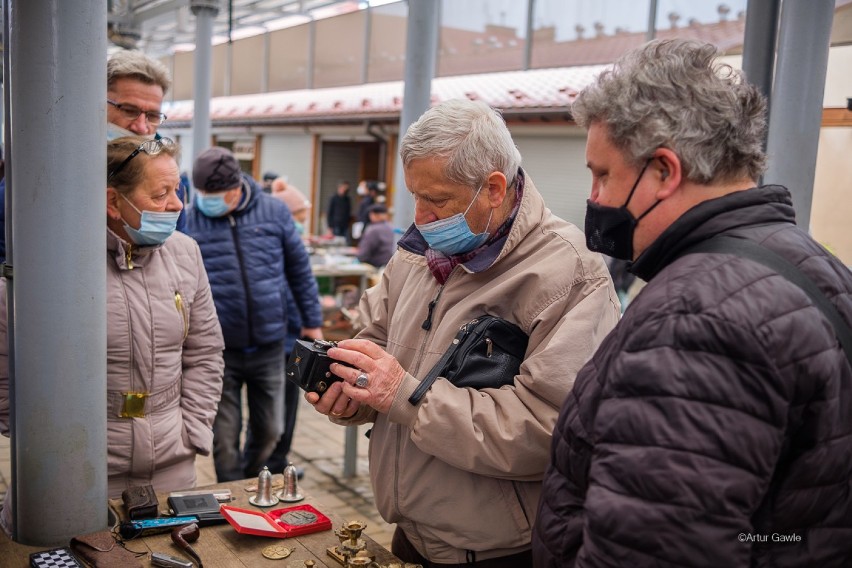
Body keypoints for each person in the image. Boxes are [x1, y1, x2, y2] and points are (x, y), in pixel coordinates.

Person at [532, 39, 852, 568]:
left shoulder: (693, 319)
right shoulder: (812, 263)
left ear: (664, 171)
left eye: (603, 174)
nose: (594, 199)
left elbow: (654, 548)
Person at [307, 98, 620, 567]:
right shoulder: (417, 253)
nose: (421, 216)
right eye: (415, 195)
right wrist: (352, 390)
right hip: (410, 532)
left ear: (494, 188)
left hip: (500, 548)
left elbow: (550, 429)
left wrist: (404, 396)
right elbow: (372, 339)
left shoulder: (568, 274)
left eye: (437, 200)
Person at [0, 136, 224, 519]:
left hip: (173, 464)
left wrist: (194, 428)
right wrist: (39, 445)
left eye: (178, 190)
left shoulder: (185, 253)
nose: (177, 204)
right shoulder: (47, 264)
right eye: (160, 194)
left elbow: (205, 351)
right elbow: (7, 364)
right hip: (79, 470)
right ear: (112, 202)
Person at [185, 146, 323, 482]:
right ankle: (231, 498)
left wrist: (312, 322)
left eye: (215, 194)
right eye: (203, 193)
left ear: (236, 188)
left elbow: (299, 269)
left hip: (269, 343)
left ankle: (248, 482)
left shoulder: (273, 212)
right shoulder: (188, 220)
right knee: (224, 438)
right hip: (218, 349)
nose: (207, 200)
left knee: (271, 429)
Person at [0, 50, 185, 264]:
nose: (141, 127)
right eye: (128, 110)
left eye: (152, 115)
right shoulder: (39, 179)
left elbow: (176, 259)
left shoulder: (168, 179)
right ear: (95, 105)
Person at [356, 204, 395, 268]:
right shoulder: (391, 226)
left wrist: (358, 258)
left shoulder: (373, 229)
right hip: (389, 264)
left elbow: (364, 253)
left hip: (376, 265)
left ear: (372, 215)